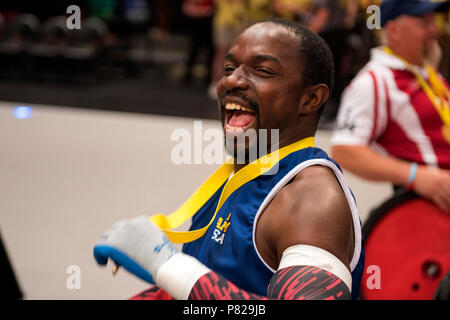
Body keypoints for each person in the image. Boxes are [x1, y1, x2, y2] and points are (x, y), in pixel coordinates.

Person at [94, 18, 365, 300]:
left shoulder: (312, 198)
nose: (231, 80)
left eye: (262, 70)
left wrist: (168, 265)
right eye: (229, 68)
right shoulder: (245, 176)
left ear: (311, 98)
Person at [331, 0, 450, 213]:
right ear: (394, 30)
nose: (434, 30)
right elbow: (344, 150)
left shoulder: (428, 73)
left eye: (434, 22)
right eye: (424, 23)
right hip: (428, 212)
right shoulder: (374, 80)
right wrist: (416, 175)